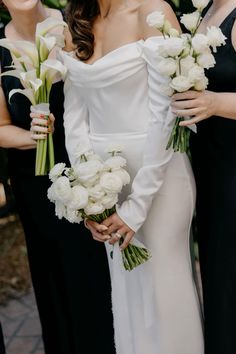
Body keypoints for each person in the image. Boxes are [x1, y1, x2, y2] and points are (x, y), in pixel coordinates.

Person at [61, 0, 204, 353]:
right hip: (107, 181)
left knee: (163, 286)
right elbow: (74, 116)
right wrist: (89, 195)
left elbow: (164, 116)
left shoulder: (151, 11)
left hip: (160, 174)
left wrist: (136, 206)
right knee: (128, 291)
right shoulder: (79, 19)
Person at [0, 1, 115, 353]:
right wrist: (31, 136)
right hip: (36, 184)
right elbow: (2, 128)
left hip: (88, 174)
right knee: (56, 283)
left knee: (96, 278)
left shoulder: (74, 23)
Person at [171, 1, 236, 353]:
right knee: (219, 280)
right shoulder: (207, 9)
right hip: (211, 173)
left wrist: (213, 104)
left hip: (233, 178)